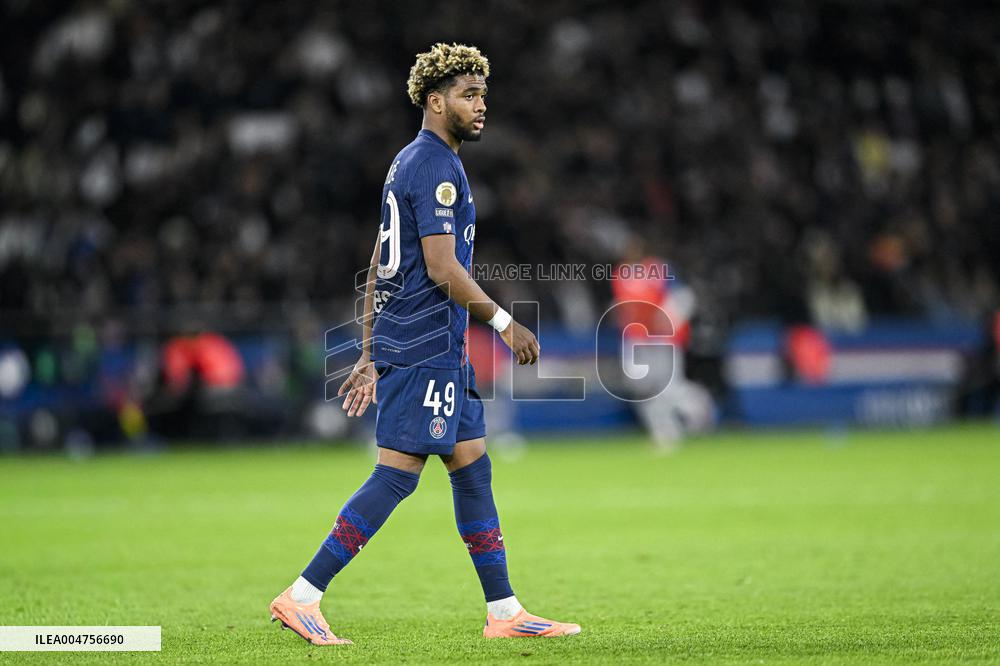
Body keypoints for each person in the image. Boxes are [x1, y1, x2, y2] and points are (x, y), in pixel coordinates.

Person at [269, 43, 580, 645]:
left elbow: (378, 264)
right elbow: (440, 267)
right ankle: (302, 594)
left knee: (472, 465)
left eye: (483, 94)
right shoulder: (434, 165)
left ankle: (505, 611)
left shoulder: (408, 163)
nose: (481, 105)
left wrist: (367, 349)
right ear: (435, 102)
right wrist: (504, 324)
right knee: (398, 474)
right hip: (424, 343)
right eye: (468, 95)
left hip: (434, 344)